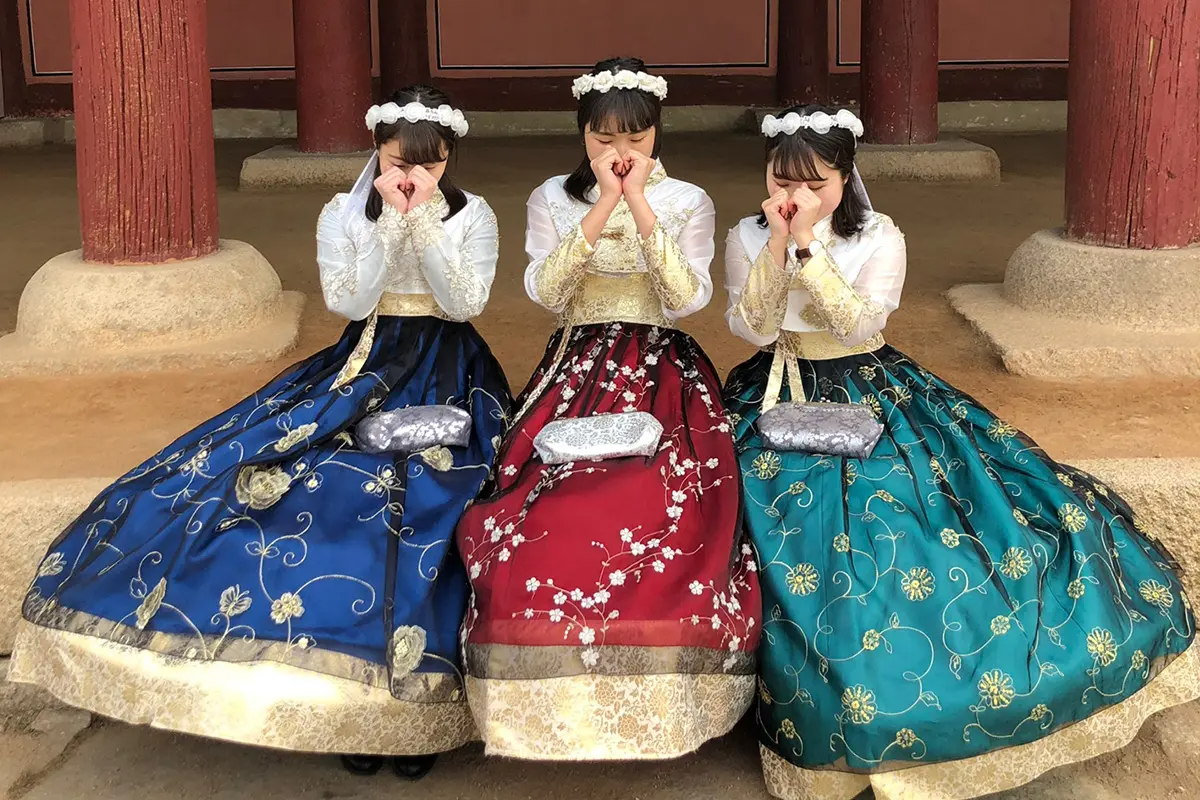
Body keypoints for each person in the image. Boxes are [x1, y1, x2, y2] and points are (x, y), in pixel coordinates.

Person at [8, 85, 511, 780]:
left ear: (447, 159)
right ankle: (342, 708)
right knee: (314, 482)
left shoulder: (471, 215)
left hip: (448, 367)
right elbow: (348, 299)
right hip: (363, 360)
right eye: (398, 160)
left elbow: (465, 302)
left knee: (435, 499)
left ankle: (417, 714)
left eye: (427, 165)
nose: (409, 176)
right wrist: (389, 228)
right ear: (377, 150)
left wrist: (423, 224)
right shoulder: (343, 212)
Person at [722, 104, 1200, 800]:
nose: (796, 195)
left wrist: (806, 252)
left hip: (866, 383)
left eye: (817, 183)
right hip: (773, 389)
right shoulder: (747, 234)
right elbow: (750, 323)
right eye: (782, 177)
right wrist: (771, 248)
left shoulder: (882, 238)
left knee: (917, 520)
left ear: (847, 177)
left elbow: (859, 320)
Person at [454, 57, 760, 760]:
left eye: (636, 138)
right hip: (575, 361)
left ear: (657, 134)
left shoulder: (689, 199)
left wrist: (643, 205)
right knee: (539, 505)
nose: (620, 153)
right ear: (582, 135)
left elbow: (687, 300)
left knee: (668, 507)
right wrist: (600, 206)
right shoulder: (550, 198)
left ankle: (671, 694)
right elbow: (546, 292)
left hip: (663, 363)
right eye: (601, 139)